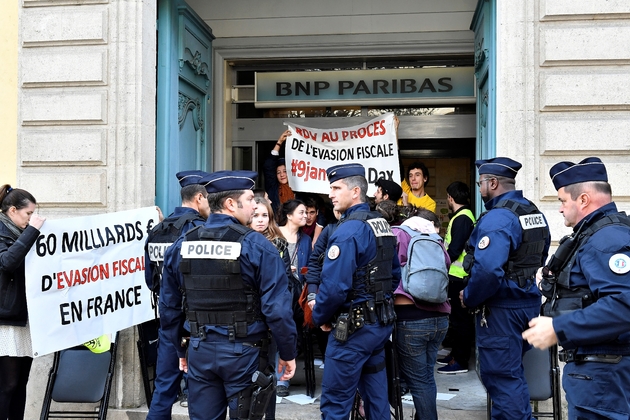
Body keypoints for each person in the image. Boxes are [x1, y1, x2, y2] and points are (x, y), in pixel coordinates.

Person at [159, 170, 297, 420]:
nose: (255, 205)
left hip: (200, 351)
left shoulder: (182, 245)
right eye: (250, 199)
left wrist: (180, 350)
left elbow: (169, 307)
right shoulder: (258, 247)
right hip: (245, 354)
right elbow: (277, 309)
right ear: (231, 204)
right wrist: (288, 353)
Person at [522, 157, 630, 419]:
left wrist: (558, 328)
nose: (560, 209)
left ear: (583, 200)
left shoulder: (607, 239)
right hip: (598, 374)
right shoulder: (596, 234)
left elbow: (624, 304)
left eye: (562, 201)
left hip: (604, 377)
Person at [460, 157, 550, 420]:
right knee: (511, 376)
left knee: (502, 379)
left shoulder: (499, 217)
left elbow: (488, 270)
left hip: (502, 310)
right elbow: (539, 256)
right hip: (527, 303)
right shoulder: (532, 212)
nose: (479, 189)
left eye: (480, 184)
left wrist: (470, 297)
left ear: (493, 183)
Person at [312, 163, 401, 420]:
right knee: (376, 402)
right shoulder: (380, 223)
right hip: (378, 324)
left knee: (336, 404)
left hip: (352, 330)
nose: (331, 194)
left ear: (355, 192)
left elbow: (334, 288)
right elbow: (394, 274)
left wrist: (321, 317)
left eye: (336, 187)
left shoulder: (348, 230)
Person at [144, 170, 210, 418]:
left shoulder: (158, 230)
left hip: (167, 318)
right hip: (196, 322)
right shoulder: (199, 230)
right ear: (200, 198)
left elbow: (150, 280)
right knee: (202, 392)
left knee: (163, 389)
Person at [392, 210, 450, 420]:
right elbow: (447, 267)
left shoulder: (397, 234)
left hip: (410, 318)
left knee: (419, 382)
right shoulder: (436, 239)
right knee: (426, 377)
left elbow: (388, 270)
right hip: (440, 319)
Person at [0, 184, 46, 420]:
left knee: (21, 384)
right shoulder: (2, 231)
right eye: (28, 213)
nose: (31, 219)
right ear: (13, 211)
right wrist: (32, 232)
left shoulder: (23, 234)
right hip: (6, 321)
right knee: (7, 384)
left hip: (26, 317)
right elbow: (7, 262)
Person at [438, 181, 476, 374]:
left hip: (458, 277)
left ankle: (460, 360)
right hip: (455, 276)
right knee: (456, 319)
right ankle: (455, 355)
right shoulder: (462, 216)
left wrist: (440, 261)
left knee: (461, 321)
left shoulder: (462, 218)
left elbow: (455, 249)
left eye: (447, 197)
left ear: (451, 198)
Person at [263, 130, 295, 212]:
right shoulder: (273, 188)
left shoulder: (298, 189)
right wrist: (279, 142)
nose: (282, 175)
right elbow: (268, 166)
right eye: (278, 172)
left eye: (285, 171)